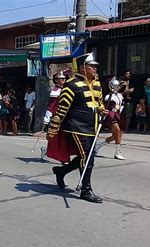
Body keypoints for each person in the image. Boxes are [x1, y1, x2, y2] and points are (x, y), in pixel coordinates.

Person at [46, 53, 106, 203]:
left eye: (95, 66)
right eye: (92, 66)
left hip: (92, 126)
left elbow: (99, 102)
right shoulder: (71, 84)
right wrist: (53, 127)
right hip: (76, 127)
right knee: (88, 158)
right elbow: (62, 108)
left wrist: (101, 109)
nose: (95, 68)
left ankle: (61, 171)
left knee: (86, 156)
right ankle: (86, 190)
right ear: (82, 68)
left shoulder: (97, 84)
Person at [95, 77, 126, 160]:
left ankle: (98, 145)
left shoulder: (120, 95)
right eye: (115, 86)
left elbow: (121, 105)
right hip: (111, 114)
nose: (117, 87)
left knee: (116, 135)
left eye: (118, 86)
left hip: (119, 114)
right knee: (118, 131)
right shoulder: (108, 96)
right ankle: (117, 152)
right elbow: (106, 107)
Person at [40, 71, 66, 160]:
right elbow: (51, 105)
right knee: (55, 135)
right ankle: (48, 150)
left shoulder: (65, 89)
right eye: (61, 79)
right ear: (57, 80)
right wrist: (47, 117)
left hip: (66, 115)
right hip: (57, 116)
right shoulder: (55, 92)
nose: (63, 80)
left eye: (64, 79)